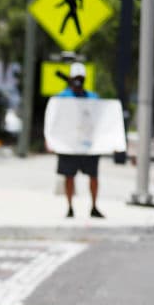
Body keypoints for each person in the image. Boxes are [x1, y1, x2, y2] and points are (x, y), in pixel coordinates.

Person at [56, 62, 104, 219]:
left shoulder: (93, 97)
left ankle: (94, 206)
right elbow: (55, 120)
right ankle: (69, 207)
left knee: (93, 176)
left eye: (81, 78)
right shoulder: (62, 98)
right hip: (69, 145)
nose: (78, 81)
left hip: (88, 145)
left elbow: (101, 119)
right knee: (69, 176)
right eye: (76, 78)